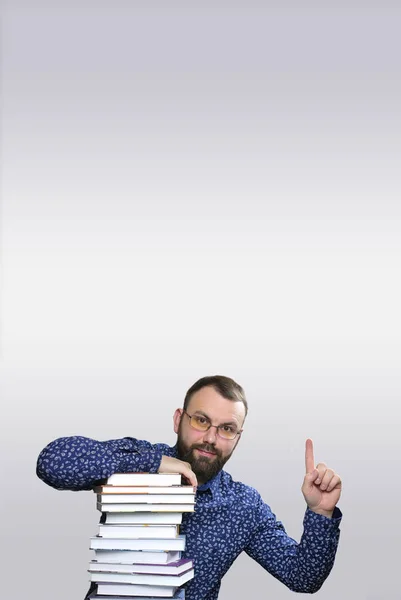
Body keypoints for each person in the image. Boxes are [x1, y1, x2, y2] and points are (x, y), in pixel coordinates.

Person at [37, 375, 342, 600]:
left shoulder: (243, 506)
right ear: (178, 420)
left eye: (227, 428)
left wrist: (320, 513)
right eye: (201, 420)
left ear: (238, 437)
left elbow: (303, 577)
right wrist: (153, 462)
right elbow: (51, 463)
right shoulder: (136, 458)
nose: (211, 437)